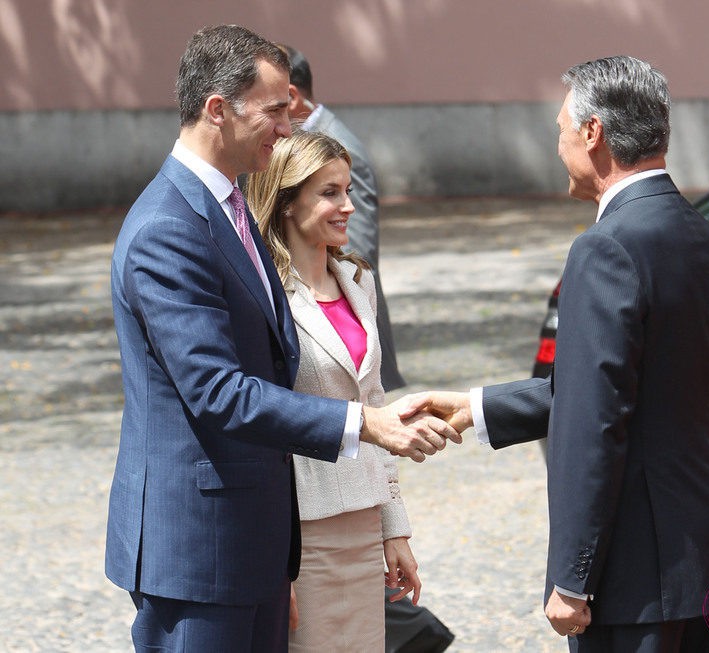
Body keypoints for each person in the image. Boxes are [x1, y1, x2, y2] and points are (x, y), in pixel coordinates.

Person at [105, 25, 457, 653]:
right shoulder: (168, 227)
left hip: (256, 542)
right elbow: (218, 391)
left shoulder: (229, 208)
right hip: (200, 549)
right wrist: (366, 424)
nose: (289, 127)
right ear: (218, 109)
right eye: (274, 110)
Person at [401, 56, 709, 652]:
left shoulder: (606, 248)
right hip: (699, 556)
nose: (558, 142)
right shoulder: (698, 232)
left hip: (637, 573)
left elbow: (596, 421)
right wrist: (479, 407)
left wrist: (572, 577)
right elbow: (630, 388)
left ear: (594, 133)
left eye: (561, 127)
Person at [246, 130, 419, 651]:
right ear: (286, 199)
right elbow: (259, 422)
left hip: (364, 525)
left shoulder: (357, 280)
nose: (348, 205)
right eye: (329, 193)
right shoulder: (263, 294)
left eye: (347, 190)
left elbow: (375, 408)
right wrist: (271, 564)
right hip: (303, 532)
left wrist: (395, 526)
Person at [278, 43, 405, 392]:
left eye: (269, 102)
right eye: (331, 192)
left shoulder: (337, 145)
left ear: (290, 96)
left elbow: (357, 247)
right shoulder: (269, 289)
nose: (347, 204)